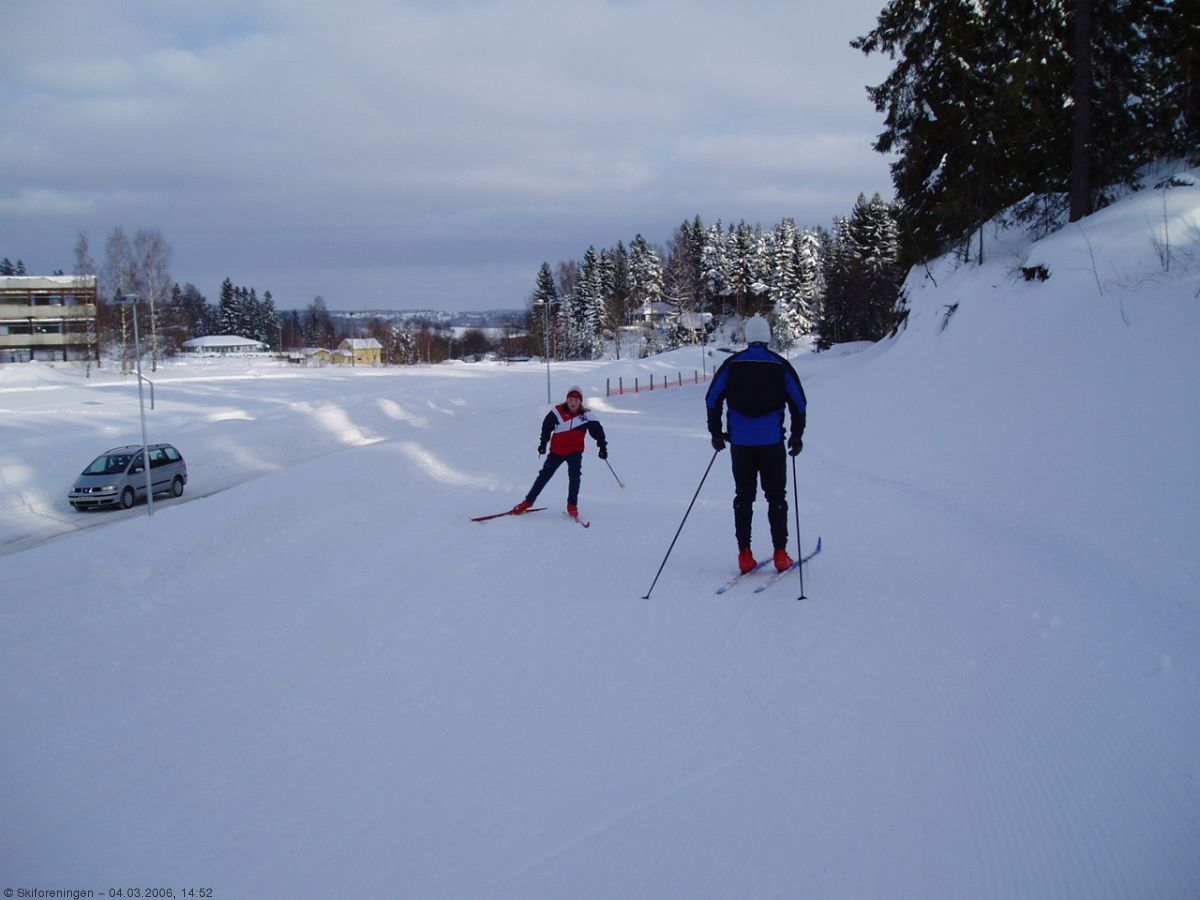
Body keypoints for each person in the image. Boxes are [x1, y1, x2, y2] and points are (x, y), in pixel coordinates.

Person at [705, 315, 807, 574]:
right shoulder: (780, 365)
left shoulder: (732, 364)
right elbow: (799, 403)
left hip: (741, 444)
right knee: (776, 497)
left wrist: (716, 433)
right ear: (768, 336)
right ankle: (781, 554)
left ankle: (745, 555)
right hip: (772, 442)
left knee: (744, 497)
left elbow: (712, 399)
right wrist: (797, 435)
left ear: (748, 337)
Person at [512, 385, 608, 519]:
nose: (572, 402)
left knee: (574, 478)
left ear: (580, 401)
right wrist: (543, 443)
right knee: (543, 476)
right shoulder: (557, 412)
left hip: (575, 452)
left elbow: (598, 431)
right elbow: (546, 427)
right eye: (570, 399)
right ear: (566, 400)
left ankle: (572, 506)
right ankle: (528, 502)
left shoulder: (586, 416)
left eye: (576, 399)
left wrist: (602, 447)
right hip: (557, 452)